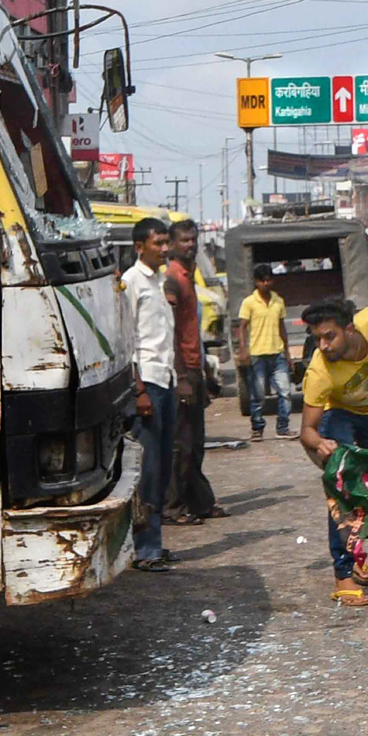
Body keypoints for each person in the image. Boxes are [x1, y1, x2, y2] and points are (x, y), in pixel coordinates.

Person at [299, 298, 368, 608]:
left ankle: (355, 545)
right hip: (339, 415)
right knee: (345, 492)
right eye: (316, 338)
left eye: (328, 336)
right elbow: (306, 429)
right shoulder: (320, 370)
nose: (322, 345)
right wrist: (319, 443)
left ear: (349, 329)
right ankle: (343, 573)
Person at [163, 220, 228, 526]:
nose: (190, 244)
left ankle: (200, 502)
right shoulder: (173, 278)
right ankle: (173, 507)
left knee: (196, 443)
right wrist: (182, 378)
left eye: (193, 239)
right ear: (172, 244)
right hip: (182, 372)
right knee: (182, 445)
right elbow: (171, 332)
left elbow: (192, 331)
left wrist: (202, 367)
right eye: (184, 240)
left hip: (194, 368)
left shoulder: (188, 277)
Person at [123, 217, 178, 572]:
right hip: (147, 383)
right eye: (158, 243)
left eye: (165, 242)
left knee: (161, 467)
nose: (165, 248)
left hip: (166, 378)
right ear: (140, 246)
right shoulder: (131, 282)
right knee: (148, 469)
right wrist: (139, 389)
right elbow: (126, 340)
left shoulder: (161, 280)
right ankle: (144, 549)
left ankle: (152, 543)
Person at [237, 263, 298, 443]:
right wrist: (243, 349)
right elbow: (242, 327)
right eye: (262, 280)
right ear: (256, 282)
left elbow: (281, 327)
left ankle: (283, 427)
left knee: (285, 392)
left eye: (269, 279)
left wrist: (287, 353)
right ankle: (257, 428)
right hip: (257, 354)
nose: (266, 283)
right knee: (258, 396)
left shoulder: (278, 301)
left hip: (277, 353)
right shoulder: (249, 302)